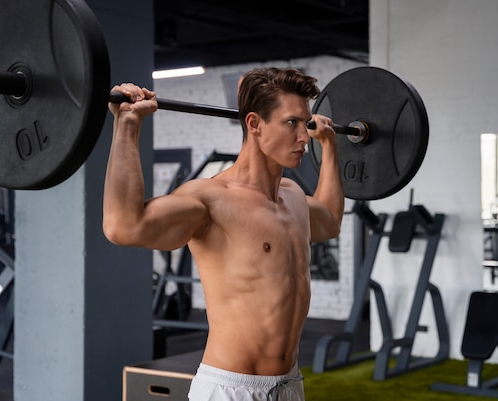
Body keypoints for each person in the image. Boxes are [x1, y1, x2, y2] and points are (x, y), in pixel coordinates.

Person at [103, 67, 344, 401]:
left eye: (306, 123)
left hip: (289, 385)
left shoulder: (293, 198)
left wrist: (330, 147)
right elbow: (123, 227)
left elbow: (331, 220)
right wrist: (128, 125)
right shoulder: (211, 199)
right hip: (232, 388)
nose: (304, 137)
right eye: (292, 123)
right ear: (255, 124)